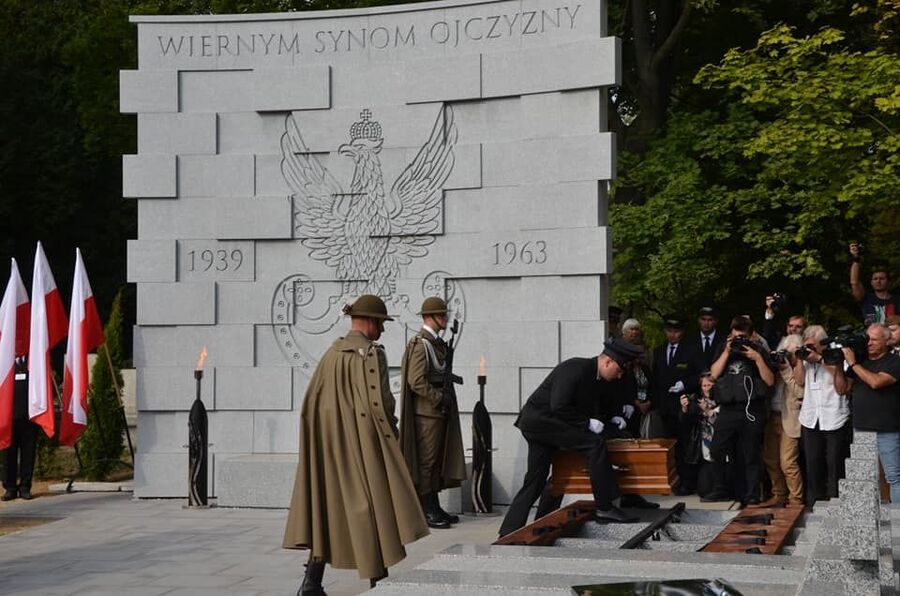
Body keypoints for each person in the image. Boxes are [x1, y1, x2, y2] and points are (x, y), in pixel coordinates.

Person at [283, 295, 429, 594]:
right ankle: (379, 583)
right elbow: (381, 407)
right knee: (375, 509)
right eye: (382, 324)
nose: (383, 331)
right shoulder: (370, 355)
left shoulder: (332, 353)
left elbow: (312, 403)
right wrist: (392, 443)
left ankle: (311, 584)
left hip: (330, 449)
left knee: (327, 510)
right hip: (362, 447)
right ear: (371, 321)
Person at [498, 338, 644, 537]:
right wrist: (586, 424)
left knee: (538, 479)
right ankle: (605, 506)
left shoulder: (596, 377)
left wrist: (613, 418)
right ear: (607, 362)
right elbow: (559, 406)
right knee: (594, 444)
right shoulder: (576, 368)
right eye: (618, 370)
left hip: (545, 424)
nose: (619, 376)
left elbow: (595, 406)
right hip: (542, 422)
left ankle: (513, 529)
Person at [399, 297, 465, 529]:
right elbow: (415, 380)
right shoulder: (421, 344)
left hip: (438, 412)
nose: (445, 319)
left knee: (436, 462)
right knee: (427, 462)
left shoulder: (436, 343)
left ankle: (434, 505)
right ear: (430, 317)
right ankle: (426, 509)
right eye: (441, 315)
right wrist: (438, 398)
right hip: (428, 414)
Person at [705, 316, 775, 507]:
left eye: (742, 337)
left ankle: (752, 493)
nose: (739, 341)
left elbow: (770, 381)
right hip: (728, 408)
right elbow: (714, 373)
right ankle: (720, 488)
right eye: (735, 336)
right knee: (717, 448)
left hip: (752, 408)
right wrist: (727, 351)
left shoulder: (759, 350)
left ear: (751, 335)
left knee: (751, 453)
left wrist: (757, 358)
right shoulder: (723, 348)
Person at [834, 323, 900, 503]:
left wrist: (853, 363)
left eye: (874, 339)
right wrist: (839, 365)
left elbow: (876, 382)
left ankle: (898, 521)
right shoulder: (861, 361)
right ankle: (867, 520)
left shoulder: (894, 361)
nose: (868, 343)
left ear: (887, 341)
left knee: (894, 477)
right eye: (867, 338)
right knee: (864, 478)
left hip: (887, 429)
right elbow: (842, 389)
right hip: (861, 428)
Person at [794, 325, 850, 506]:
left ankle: (835, 503)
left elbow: (845, 386)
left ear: (823, 344)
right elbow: (800, 381)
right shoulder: (806, 358)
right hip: (811, 418)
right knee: (812, 463)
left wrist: (819, 359)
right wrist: (799, 359)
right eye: (807, 345)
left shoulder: (837, 355)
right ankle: (813, 504)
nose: (810, 349)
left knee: (835, 464)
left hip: (834, 416)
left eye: (813, 345)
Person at [651, 315, 701, 494]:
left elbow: (700, 376)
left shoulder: (691, 351)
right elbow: (655, 379)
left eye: (676, 331)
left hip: (683, 406)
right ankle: (669, 480)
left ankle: (686, 482)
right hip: (665, 407)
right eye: (670, 331)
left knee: (684, 445)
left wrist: (685, 384)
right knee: (667, 445)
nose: (673, 335)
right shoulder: (658, 351)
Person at [759, 334, 805, 507]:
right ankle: (779, 494)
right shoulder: (776, 367)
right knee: (770, 459)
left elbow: (800, 392)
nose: (787, 357)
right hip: (773, 416)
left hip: (791, 420)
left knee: (788, 462)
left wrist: (787, 370)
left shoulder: (802, 367)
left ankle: (796, 499)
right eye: (785, 353)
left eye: (792, 353)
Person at [2, 355, 38, 501]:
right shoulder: (5, 359)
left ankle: (25, 487)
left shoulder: (34, 361)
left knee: (28, 454)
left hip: (29, 417)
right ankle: (10, 488)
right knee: (8, 455)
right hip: (8, 418)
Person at [849, 242, 898, 324]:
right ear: (871, 282)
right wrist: (856, 259)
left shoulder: (897, 301)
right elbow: (854, 282)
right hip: (873, 336)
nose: (878, 281)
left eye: (882, 278)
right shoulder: (866, 299)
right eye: (875, 279)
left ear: (889, 282)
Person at [692, 306, 724, 371]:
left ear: (716, 321)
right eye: (703, 319)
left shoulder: (723, 340)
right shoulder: (690, 340)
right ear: (698, 320)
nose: (706, 323)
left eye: (710, 320)